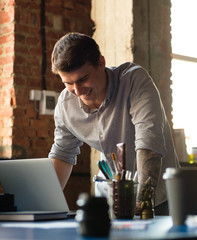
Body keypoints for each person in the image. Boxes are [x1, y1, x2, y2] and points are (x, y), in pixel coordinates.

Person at [48, 32, 179, 215]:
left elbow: (148, 142)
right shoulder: (65, 105)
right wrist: (45, 204)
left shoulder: (134, 80)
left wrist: (142, 201)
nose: (77, 91)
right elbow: (62, 152)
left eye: (83, 79)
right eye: (68, 83)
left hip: (160, 200)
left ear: (101, 63)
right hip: (111, 201)